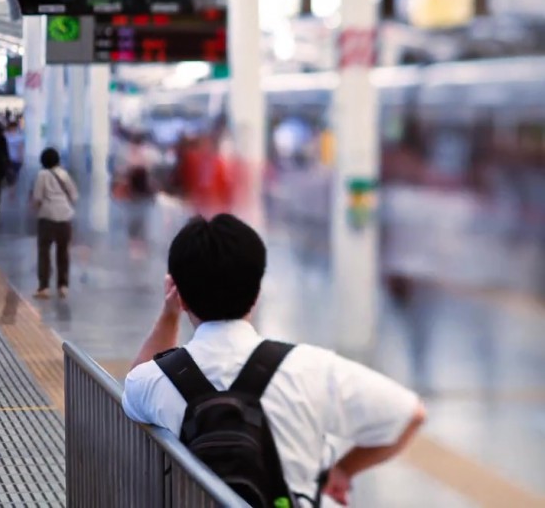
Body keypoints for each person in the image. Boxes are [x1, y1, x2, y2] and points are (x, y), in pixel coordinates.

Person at [122, 214, 426, 506]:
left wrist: (169, 314)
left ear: (181, 296)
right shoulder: (309, 367)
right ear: (256, 293)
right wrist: (343, 470)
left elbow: (134, 389)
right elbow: (410, 415)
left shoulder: (154, 381)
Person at [31, 148, 78, 299]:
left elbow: (37, 197)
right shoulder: (64, 174)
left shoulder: (42, 175)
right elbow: (74, 196)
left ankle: (44, 287)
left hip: (47, 217)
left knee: (44, 252)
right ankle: (63, 286)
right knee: (63, 252)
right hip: (65, 218)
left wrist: (37, 210)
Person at [4, 121, 25, 186]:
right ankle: (12, 188)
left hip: (13, 158)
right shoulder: (6, 135)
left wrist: (21, 157)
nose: (13, 129)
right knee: (12, 174)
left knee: (14, 174)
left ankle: (12, 188)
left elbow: (21, 148)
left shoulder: (6, 136)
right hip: (11, 159)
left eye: (14, 128)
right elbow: (21, 148)